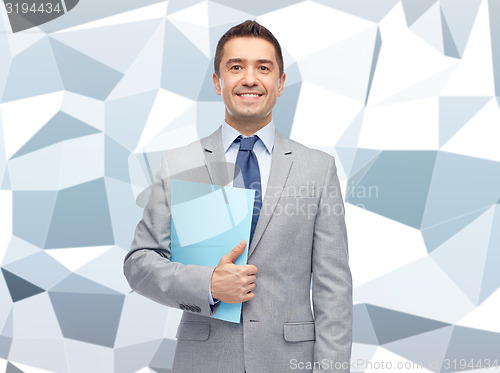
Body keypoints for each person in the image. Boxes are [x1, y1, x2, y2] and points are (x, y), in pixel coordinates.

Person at [124, 20, 352, 373]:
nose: (249, 78)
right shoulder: (180, 163)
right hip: (205, 360)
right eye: (235, 67)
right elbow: (140, 263)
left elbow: (333, 288)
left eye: (263, 67)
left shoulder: (317, 169)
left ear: (280, 83)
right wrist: (207, 285)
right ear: (218, 82)